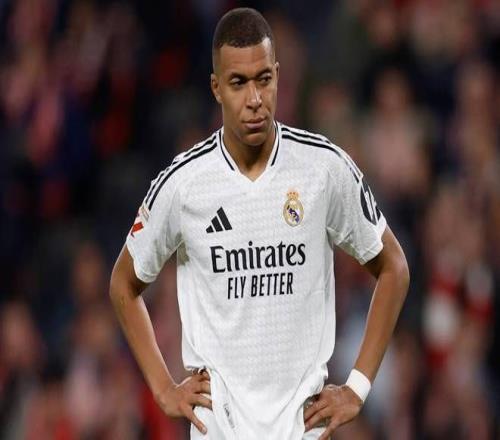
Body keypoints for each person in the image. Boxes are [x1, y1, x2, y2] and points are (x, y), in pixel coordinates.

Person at [109, 7, 409, 440]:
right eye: (238, 83)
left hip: (302, 431)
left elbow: (394, 267)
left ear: (278, 77)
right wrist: (163, 388)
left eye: (263, 79)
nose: (254, 99)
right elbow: (123, 283)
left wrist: (357, 387)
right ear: (216, 88)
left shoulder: (323, 169)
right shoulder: (183, 185)